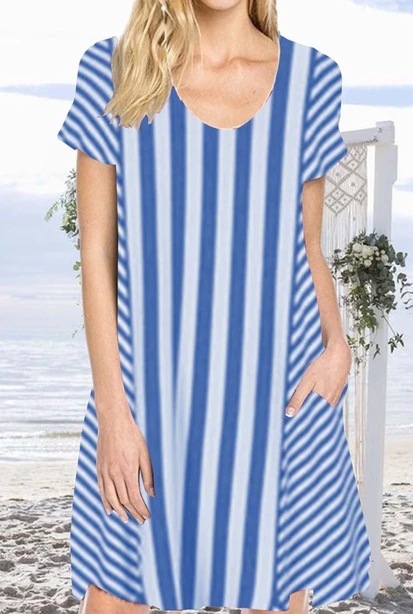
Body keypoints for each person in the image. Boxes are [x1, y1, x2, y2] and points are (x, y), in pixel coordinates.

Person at [56, 0, 372, 612]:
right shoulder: (114, 69)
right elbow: (96, 252)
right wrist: (114, 413)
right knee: (116, 591)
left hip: (280, 392)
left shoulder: (313, 79)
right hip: (149, 397)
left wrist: (338, 345)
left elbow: (307, 244)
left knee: (273, 593)